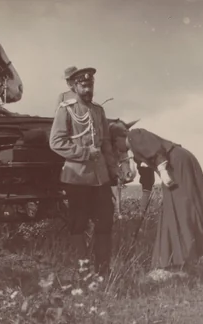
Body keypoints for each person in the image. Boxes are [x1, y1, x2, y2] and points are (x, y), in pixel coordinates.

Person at [118, 123, 203, 281]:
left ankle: (185, 257)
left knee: (182, 208)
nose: (119, 150)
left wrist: (164, 172)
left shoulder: (134, 135)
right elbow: (147, 172)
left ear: (118, 138)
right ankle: (179, 257)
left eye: (115, 145)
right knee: (175, 208)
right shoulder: (134, 146)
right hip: (178, 162)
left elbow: (157, 152)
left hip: (175, 164)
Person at [49, 66, 123, 276]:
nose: (88, 88)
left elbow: (106, 143)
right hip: (77, 177)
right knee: (78, 223)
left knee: (105, 222)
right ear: (74, 86)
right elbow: (56, 142)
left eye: (90, 84)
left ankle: (103, 271)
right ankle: (83, 271)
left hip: (100, 178)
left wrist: (112, 169)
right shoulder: (67, 109)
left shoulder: (98, 110)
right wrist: (84, 153)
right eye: (83, 85)